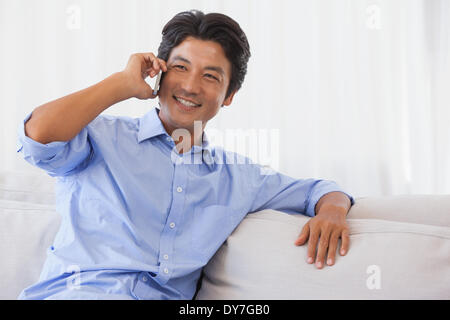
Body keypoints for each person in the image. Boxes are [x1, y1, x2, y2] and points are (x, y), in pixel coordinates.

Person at [16, 10, 354, 300]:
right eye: (180, 67)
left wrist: (334, 212)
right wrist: (121, 83)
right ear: (160, 73)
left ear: (229, 96)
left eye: (210, 76)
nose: (191, 86)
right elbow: (38, 135)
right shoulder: (102, 138)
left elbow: (319, 191)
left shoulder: (238, 177)